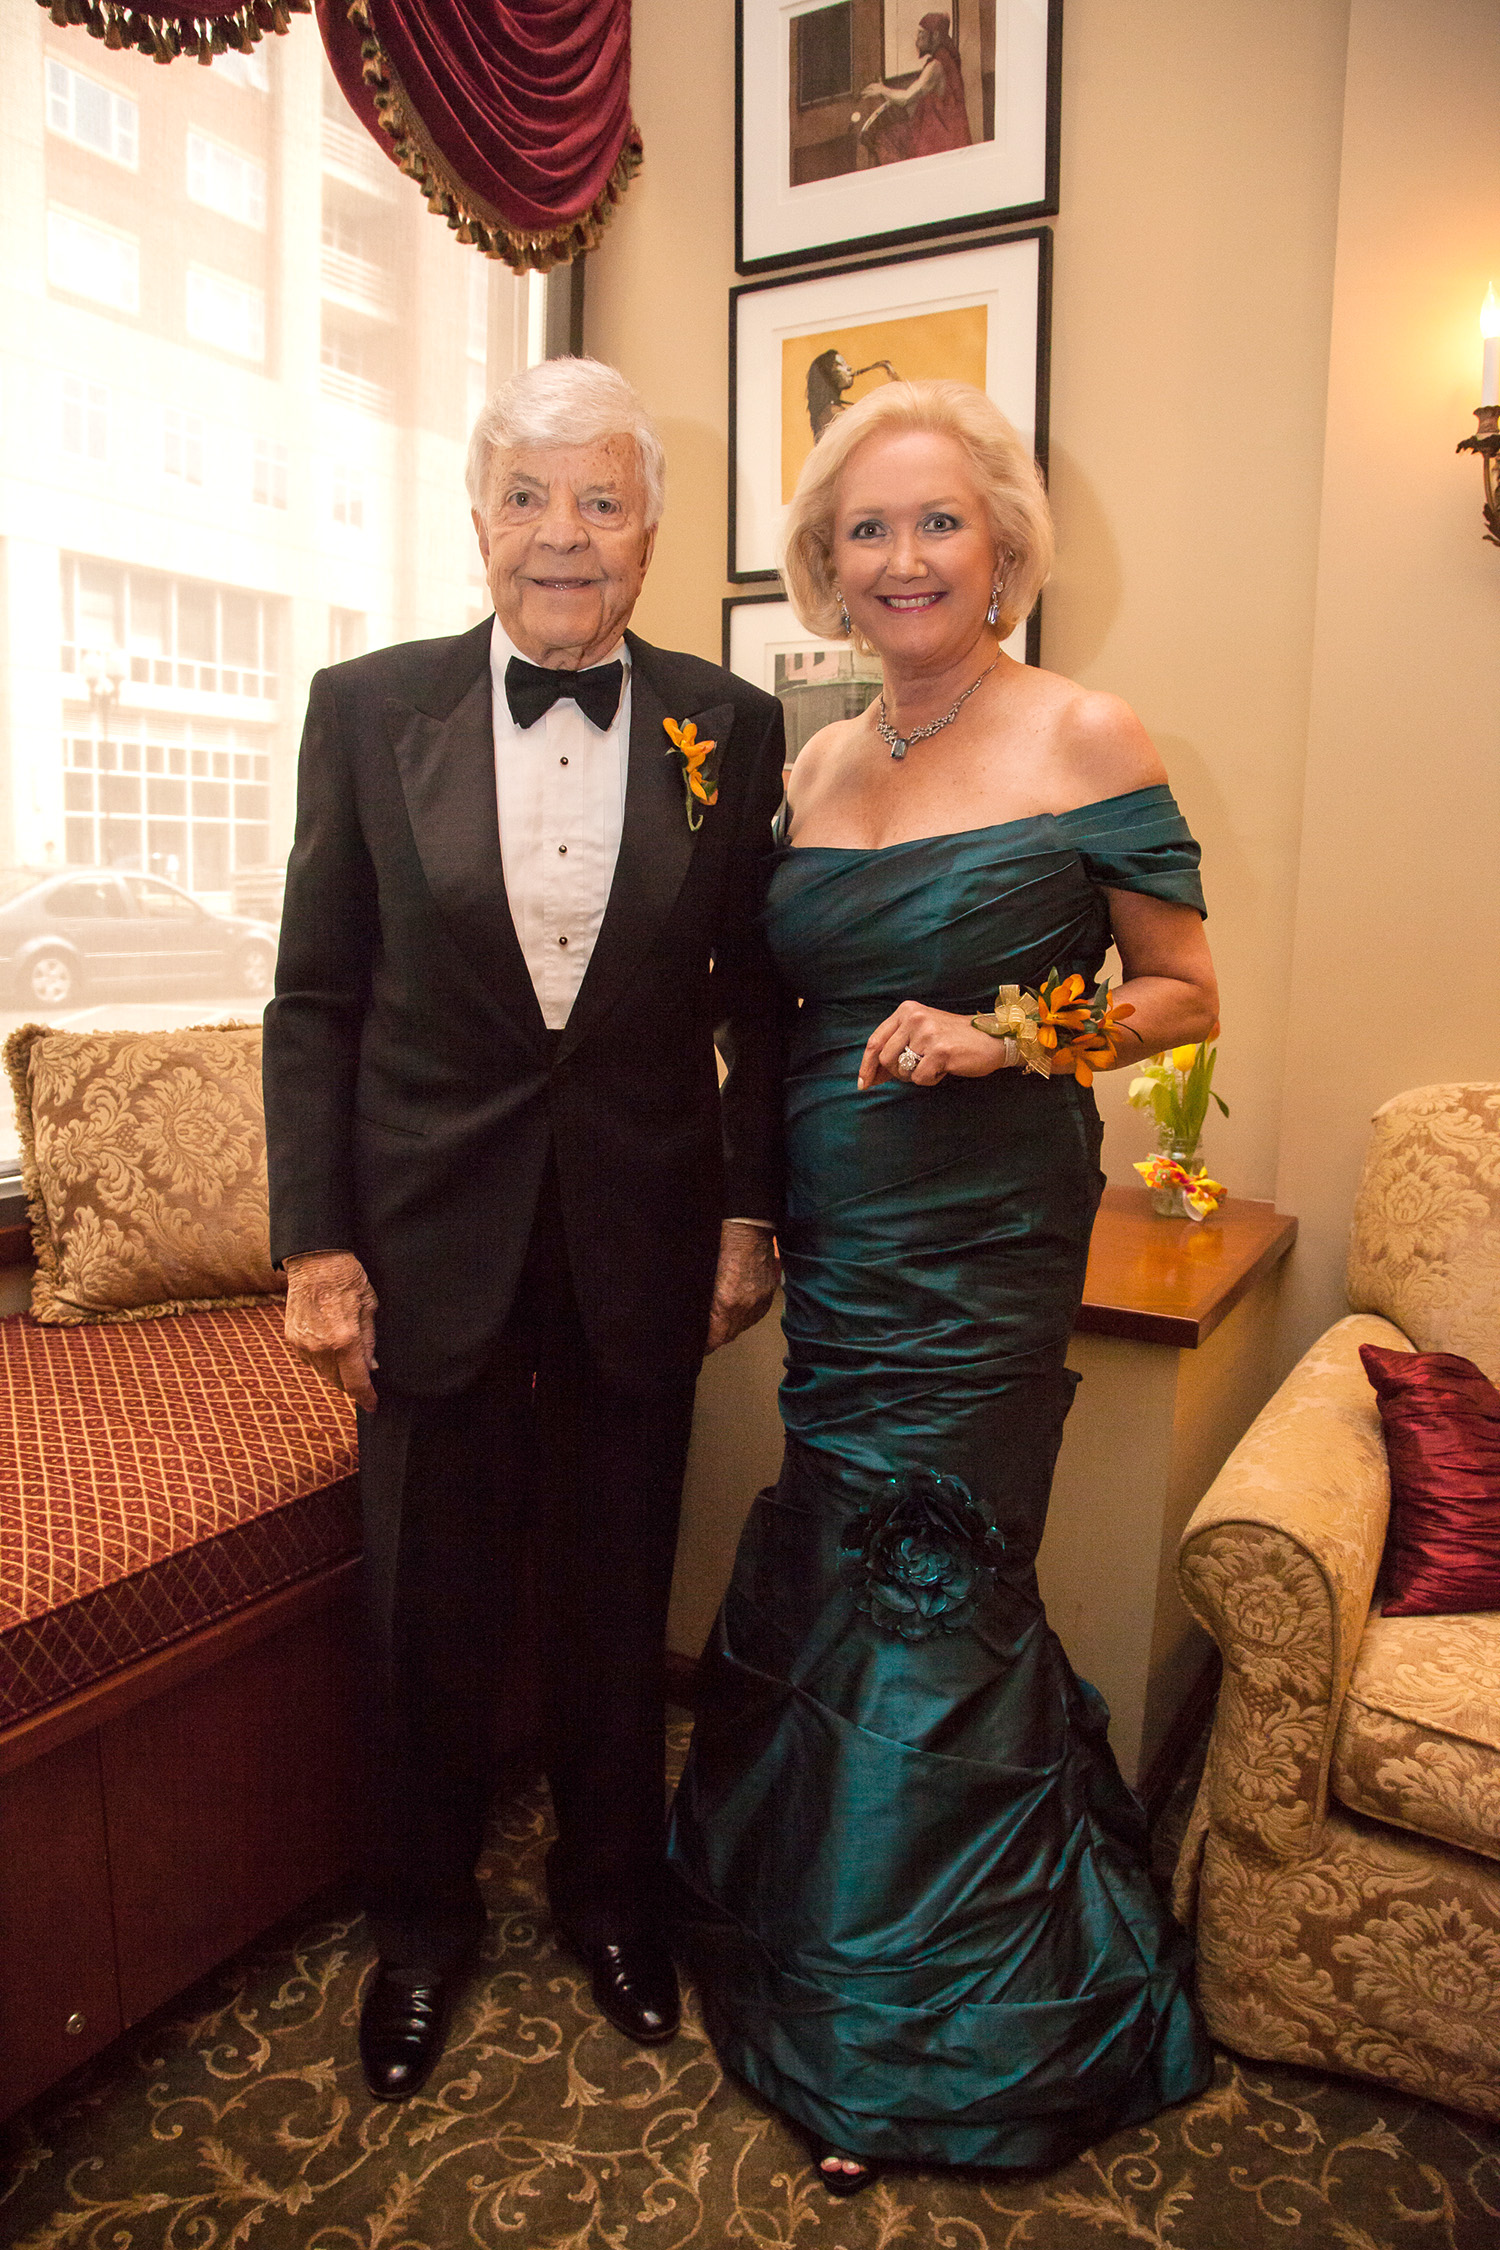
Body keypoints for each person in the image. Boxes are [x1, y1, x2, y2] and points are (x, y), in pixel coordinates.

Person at [667, 379, 1218, 2192]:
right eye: (864, 531)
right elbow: (780, 1009)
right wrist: (748, 1211)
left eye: (935, 524)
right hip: (845, 1236)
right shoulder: (819, 763)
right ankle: (833, 1960)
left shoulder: (1087, 735)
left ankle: (917, 2039)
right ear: (827, 564)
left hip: (984, 1243)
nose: (900, 559)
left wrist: (1008, 1032)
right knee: (843, 1549)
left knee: (933, 1577)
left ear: (1002, 546)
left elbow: (1184, 994)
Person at [262, 357, 786, 2103]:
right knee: (426, 1607)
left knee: (621, 1585)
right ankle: (417, 1927)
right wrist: (317, 1244)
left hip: (641, 1229)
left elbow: (757, 1001)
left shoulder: (732, 722)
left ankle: (612, 1898)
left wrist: (744, 1200)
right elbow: (314, 1000)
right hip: (425, 1240)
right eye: (530, 499)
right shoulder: (362, 706)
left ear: (650, 528)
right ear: (476, 518)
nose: (564, 535)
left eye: (603, 500)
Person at [860, 12, 972, 166]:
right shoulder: (944, 59)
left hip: (940, 138)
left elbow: (907, 98)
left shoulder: (936, 66)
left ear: (936, 35)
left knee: (884, 139)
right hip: (938, 131)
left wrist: (882, 90)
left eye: (921, 34)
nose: (917, 39)